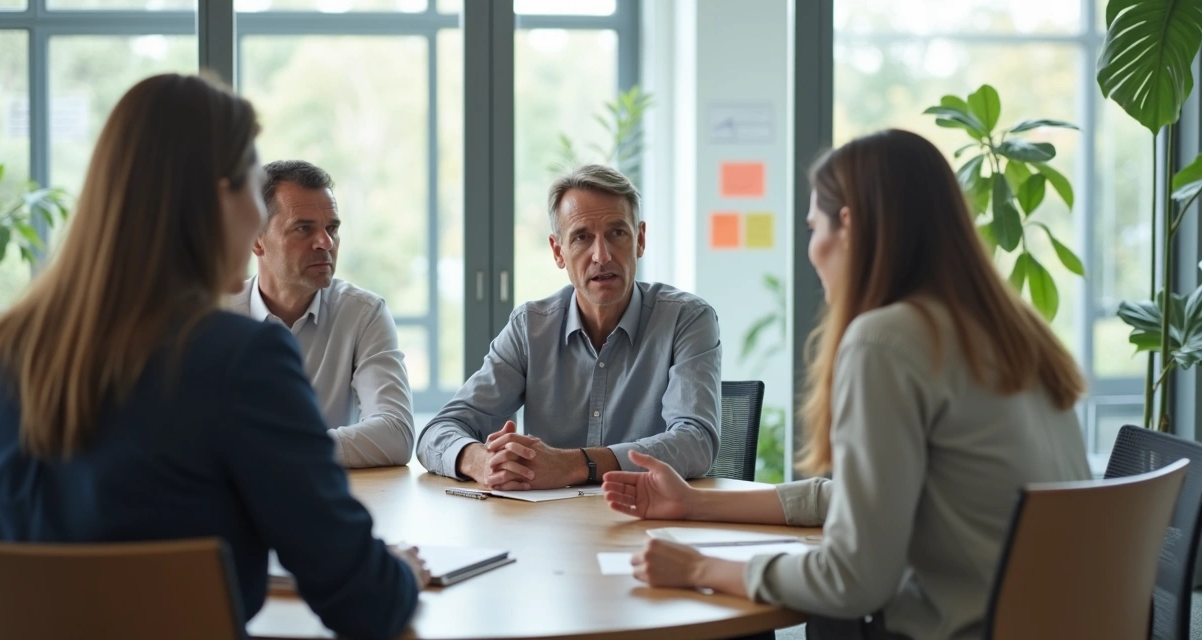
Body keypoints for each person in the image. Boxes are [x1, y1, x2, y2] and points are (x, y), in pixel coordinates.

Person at [601, 129, 1090, 640]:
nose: (812, 251)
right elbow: (859, 497)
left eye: (814, 227)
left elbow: (852, 580)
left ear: (850, 226)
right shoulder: (1010, 329)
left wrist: (699, 569)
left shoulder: (887, 341)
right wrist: (696, 504)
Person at [0, 74, 423, 640]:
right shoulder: (240, 360)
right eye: (250, 186)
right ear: (219, 200)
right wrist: (401, 577)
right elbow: (365, 602)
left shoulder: (6, 350)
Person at [416, 164, 722, 490]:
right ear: (558, 251)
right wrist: (484, 462)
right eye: (581, 237)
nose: (601, 256)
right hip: (551, 529)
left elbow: (696, 442)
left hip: (647, 524)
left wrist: (575, 465)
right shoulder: (530, 328)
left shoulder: (686, 319)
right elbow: (438, 432)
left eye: (617, 233)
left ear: (640, 240)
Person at [228, 160, 414, 468]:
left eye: (332, 229)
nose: (326, 243)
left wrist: (279, 449)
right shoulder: (213, 317)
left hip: (327, 500)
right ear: (257, 239)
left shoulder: (363, 314)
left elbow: (396, 434)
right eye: (304, 228)